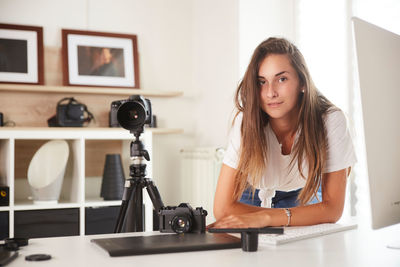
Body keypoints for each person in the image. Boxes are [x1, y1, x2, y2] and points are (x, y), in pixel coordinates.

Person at [210, 37, 356, 229]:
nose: (270, 93)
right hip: (251, 196)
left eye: (282, 79)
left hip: (303, 194)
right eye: (262, 82)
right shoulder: (246, 122)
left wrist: (268, 218)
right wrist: (269, 217)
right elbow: (222, 209)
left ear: (302, 82)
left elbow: (332, 209)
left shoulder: (330, 120)